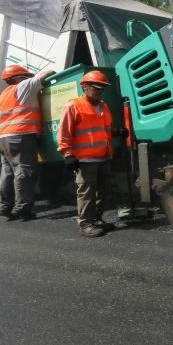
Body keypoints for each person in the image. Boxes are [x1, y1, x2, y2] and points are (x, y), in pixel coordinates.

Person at [57, 71, 128, 238]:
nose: (99, 92)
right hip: (85, 159)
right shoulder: (73, 106)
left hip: (103, 156)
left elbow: (104, 130)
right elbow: (64, 133)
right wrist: (68, 154)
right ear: (85, 87)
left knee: (102, 191)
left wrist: (117, 132)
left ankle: (96, 219)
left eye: (101, 89)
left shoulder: (103, 106)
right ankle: (85, 224)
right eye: (96, 88)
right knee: (86, 192)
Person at [0, 65, 55, 220]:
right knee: (24, 173)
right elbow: (45, 74)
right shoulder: (23, 86)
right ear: (17, 78)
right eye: (25, 76)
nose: (27, 79)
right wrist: (50, 72)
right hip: (21, 136)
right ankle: (22, 208)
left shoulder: (3, 95)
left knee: (7, 174)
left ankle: (5, 206)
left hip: (3, 139)